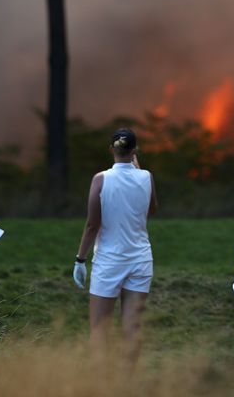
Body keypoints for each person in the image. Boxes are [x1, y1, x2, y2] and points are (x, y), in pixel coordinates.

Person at [73, 128, 158, 363]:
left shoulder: (100, 179)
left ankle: (102, 384)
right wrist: (139, 172)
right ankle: (126, 385)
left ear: (111, 149)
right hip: (140, 260)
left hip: (109, 262)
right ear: (135, 151)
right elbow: (151, 209)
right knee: (132, 329)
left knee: (99, 331)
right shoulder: (146, 177)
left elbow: (92, 224)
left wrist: (80, 259)